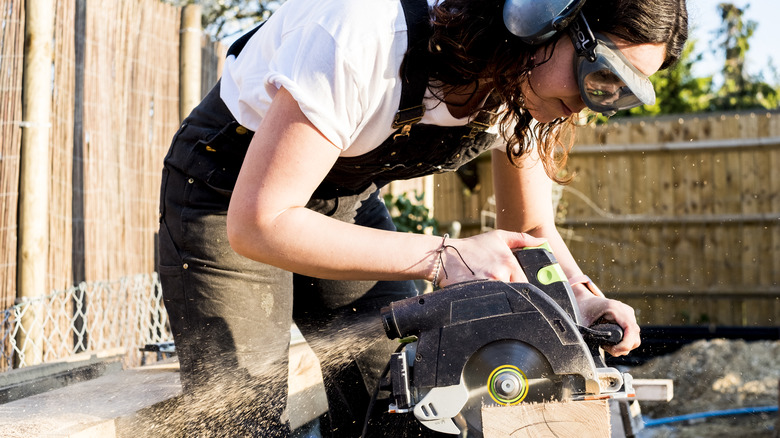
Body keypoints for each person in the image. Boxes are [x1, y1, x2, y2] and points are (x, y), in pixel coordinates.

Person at [157, 0, 688, 436]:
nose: (591, 103)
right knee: (245, 419)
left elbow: (530, 232)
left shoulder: (518, 83)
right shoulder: (364, 31)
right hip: (227, 194)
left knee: (404, 397)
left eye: (618, 95)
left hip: (342, 202)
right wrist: (444, 255)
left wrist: (578, 296)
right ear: (542, 15)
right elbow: (261, 222)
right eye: (599, 76)